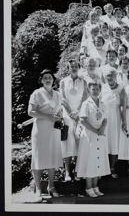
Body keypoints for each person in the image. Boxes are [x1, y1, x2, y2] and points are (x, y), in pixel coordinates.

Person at [28, 69, 63, 201]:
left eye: (50, 77)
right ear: (41, 80)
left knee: (52, 158)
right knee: (38, 157)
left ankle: (51, 186)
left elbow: (59, 110)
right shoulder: (37, 93)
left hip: (54, 130)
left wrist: (60, 116)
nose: (48, 80)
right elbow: (30, 112)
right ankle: (38, 188)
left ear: (53, 80)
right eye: (45, 78)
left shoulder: (58, 94)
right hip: (40, 130)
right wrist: (48, 116)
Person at [76, 82, 110, 197]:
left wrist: (102, 129)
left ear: (100, 90)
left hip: (100, 135)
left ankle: (95, 186)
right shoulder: (86, 104)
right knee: (90, 160)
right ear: (89, 90)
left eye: (97, 89)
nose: (95, 91)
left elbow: (105, 119)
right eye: (93, 89)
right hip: (89, 135)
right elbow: (83, 120)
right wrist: (96, 131)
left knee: (98, 160)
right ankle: (88, 187)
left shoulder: (102, 103)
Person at [60, 60, 88, 182]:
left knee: (78, 141)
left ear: (79, 67)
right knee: (67, 142)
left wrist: (77, 112)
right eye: (72, 66)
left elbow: (85, 98)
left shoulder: (84, 82)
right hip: (67, 115)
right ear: (68, 68)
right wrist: (71, 112)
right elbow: (63, 99)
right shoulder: (63, 82)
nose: (74, 68)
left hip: (80, 115)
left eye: (76, 66)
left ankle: (77, 170)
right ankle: (67, 171)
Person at [101, 67, 126, 179]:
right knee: (104, 142)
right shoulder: (102, 88)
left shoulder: (121, 89)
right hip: (104, 118)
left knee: (114, 143)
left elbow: (123, 107)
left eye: (112, 75)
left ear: (116, 77)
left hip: (116, 118)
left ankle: (112, 167)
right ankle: (103, 168)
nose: (110, 78)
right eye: (108, 76)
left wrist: (124, 121)